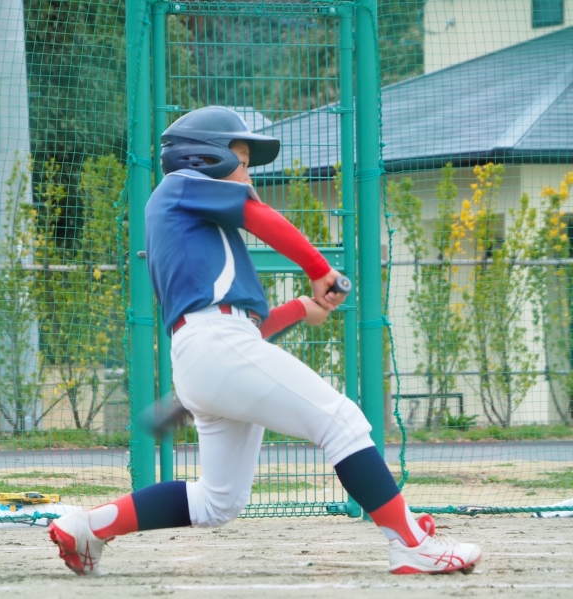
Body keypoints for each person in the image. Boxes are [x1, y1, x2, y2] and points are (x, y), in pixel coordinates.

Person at [48, 106, 482, 576]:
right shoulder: (179, 186)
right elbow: (258, 217)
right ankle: (410, 542)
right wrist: (319, 269)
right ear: (204, 158)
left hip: (208, 352)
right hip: (215, 347)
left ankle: (88, 526)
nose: (247, 174)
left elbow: (244, 332)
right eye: (240, 160)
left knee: (218, 501)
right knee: (341, 422)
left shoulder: (196, 225)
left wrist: (300, 308)